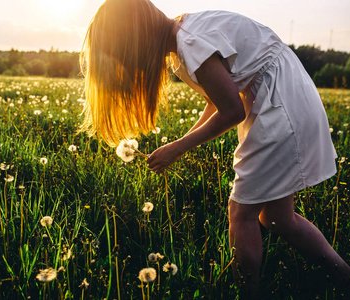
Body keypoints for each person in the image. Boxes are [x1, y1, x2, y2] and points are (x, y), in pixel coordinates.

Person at [79, 0, 350, 296]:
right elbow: (216, 100)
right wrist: (178, 143)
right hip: (284, 98)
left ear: (135, 39)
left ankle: (247, 293)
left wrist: (178, 148)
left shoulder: (189, 42)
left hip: (277, 106)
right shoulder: (185, 34)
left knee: (241, 213)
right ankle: (343, 277)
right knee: (277, 218)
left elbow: (233, 111)